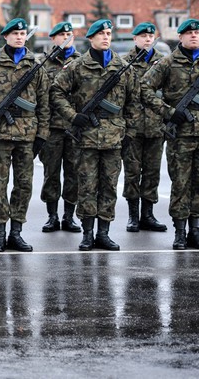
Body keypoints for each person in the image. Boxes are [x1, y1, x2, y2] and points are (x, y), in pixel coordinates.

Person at [51, 19, 139, 251]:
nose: (106, 37)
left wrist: (128, 130)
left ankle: (104, 233)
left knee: (109, 186)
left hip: (114, 138)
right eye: (101, 34)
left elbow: (134, 102)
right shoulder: (78, 66)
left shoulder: (123, 67)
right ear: (91, 38)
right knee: (87, 185)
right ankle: (87, 233)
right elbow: (56, 91)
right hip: (86, 137)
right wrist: (72, 116)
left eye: (109, 33)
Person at [0, 18, 50, 253]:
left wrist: (42, 135)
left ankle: (16, 232)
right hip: (0, 134)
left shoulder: (35, 64)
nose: (20, 37)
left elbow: (44, 103)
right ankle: (0, 233)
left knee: (23, 185)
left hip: (27, 135)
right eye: (15, 33)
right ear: (6, 36)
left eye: (23, 33)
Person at [141, 18, 199, 250]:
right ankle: (180, 231)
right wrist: (168, 112)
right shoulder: (168, 63)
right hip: (181, 134)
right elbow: (144, 88)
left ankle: (195, 229)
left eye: (198, 32)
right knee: (180, 183)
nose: (195, 36)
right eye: (190, 33)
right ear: (181, 36)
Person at [121, 22, 168, 233]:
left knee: (152, 173)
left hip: (156, 127)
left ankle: (148, 214)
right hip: (133, 128)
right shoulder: (124, 63)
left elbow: (170, 94)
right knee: (132, 172)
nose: (148, 39)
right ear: (135, 39)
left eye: (151, 36)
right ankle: (133, 216)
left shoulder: (164, 63)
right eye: (143, 36)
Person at [38, 21, 82, 233]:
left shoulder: (82, 62)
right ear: (52, 38)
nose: (66, 38)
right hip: (52, 127)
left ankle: (69, 216)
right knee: (51, 173)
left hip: (74, 128)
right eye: (61, 35)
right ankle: (52, 216)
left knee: (73, 173)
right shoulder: (43, 63)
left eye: (69, 34)